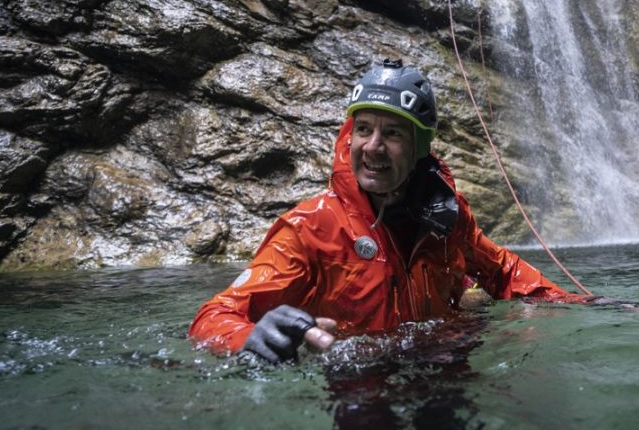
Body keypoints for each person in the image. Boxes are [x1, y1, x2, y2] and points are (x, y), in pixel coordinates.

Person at [188, 59, 598, 363]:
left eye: (393, 133)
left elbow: (503, 269)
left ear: (420, 147)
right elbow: (215, 315)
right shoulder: (310, 227)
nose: (373, 146)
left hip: (444, 361)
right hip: (360, 376)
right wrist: (248, 339)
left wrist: (579, 303)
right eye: (363, 129)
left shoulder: (447, 217)